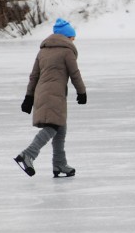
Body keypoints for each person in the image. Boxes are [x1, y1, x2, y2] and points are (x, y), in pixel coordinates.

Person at [14, 18, 87, 177]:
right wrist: (82, 92)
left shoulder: (43, 50)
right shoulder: (67, 51)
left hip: (43, 93)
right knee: (53, 126)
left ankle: (59, 164)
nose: (74, 40)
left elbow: (34, 76)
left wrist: (29, 97)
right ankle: (28, 154)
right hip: (54, 95)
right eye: (72, 37)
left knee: (60, 127)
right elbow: (75, 74)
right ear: (67, 37)